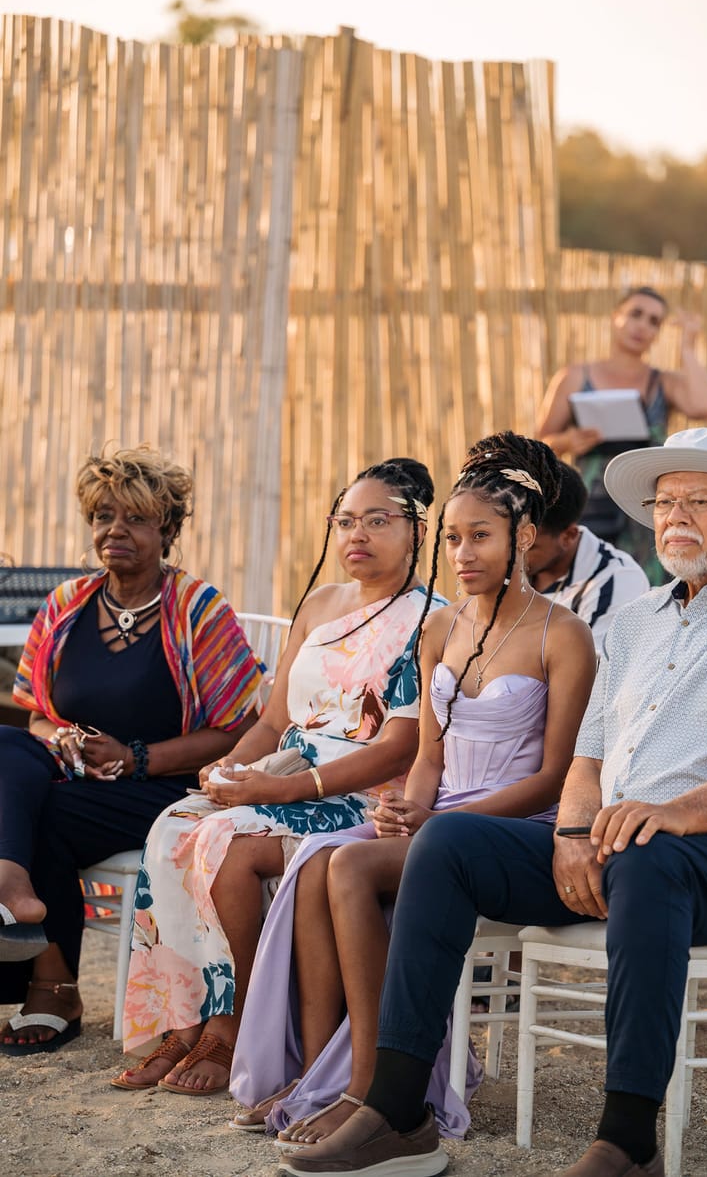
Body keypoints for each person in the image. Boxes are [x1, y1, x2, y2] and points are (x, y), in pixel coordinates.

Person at [277, 427, 707, 1177]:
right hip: (620, 847)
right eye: (664, 503)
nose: (674, 517)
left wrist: (674, 815)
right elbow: (586, 760)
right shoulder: (637, 622)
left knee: (648, 855)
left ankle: (627, 1143)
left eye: (698, 501)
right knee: (446, 844)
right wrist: (572, 833)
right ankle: (397, 1112)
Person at [228, 432, 596, 1141]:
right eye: (452, 539)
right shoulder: (439, 629)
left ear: (524, 537)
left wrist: (442, 824)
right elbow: (429, 755)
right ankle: (319, 1071)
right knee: (315, 861)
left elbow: (556, 775)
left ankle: (369, 1084)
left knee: (350, 865)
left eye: (480, 536)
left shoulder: (563, 634)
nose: (462, 554)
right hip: (443, 813)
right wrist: (409, 807)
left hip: (517, 824)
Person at [112, 457, 441, 1097]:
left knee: (224, 841)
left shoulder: (432, 618)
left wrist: (282, 790)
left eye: (378, 521)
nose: (358, 534)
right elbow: (273, 719)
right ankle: (183, 1024)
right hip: (284, 774)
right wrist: (231, 766)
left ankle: (233, 1024)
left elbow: (401, 746)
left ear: (418, 531)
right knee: (172, 824)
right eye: (346, 521)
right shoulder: (320, 603)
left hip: (361, 794)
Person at [0, 446, 262, 1056]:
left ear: (167, 531)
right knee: (7, 744)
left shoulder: (199, 609)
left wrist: (135, 758)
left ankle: (52, 985)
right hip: (74, 776)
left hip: (167, 787)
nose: (115, 530)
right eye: (104, 516)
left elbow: (237, 729)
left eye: (136, 518)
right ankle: (11, 879)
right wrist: (61, 738)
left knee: (41, 813)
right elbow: (36, 714)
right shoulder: (66, 605)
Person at [537, 287, 707, 583]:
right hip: (591, 508)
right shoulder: (574, 377)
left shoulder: (662, 382)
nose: (642, 326)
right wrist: (568, 441)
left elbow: (705, 404)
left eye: (653, 321)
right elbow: (540, 445)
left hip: (645, 511)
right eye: (636, 314)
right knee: (591, 589)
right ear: (615, 317)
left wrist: (687, 347)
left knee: (647, 590)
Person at [526, 461, 649, 650]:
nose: (513, 554)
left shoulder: (617, 580)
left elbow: (590, 667)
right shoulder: (505, 562)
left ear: (569, 536)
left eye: (529, 546)